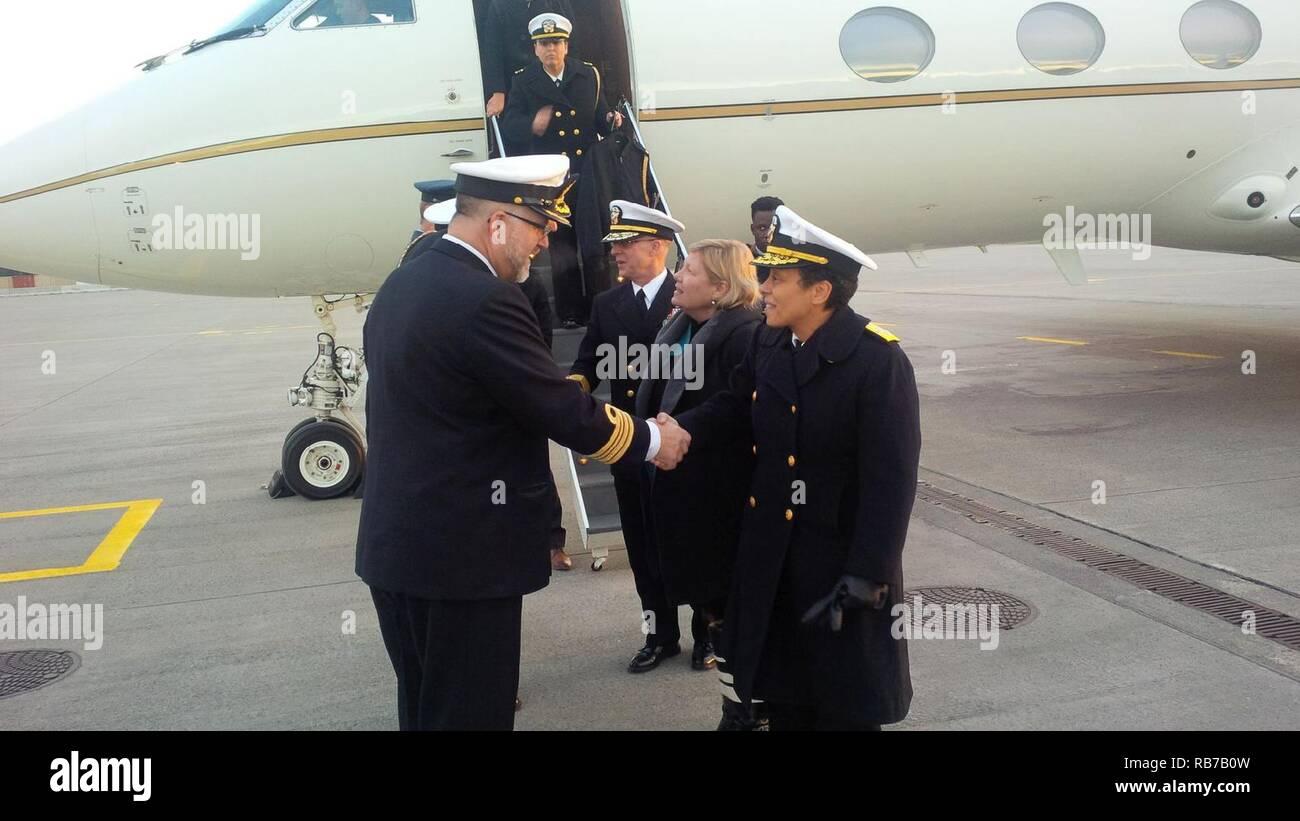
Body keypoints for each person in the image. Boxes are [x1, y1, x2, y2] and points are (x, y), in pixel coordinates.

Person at [356, 156, 691, 731]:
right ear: (498, 225)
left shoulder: (403, 282)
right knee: (469, 715)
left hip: (401, 547)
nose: (543, 245)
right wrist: (653, 439)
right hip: (463, 558)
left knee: (424, 707)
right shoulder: (485, 298)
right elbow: (557, 405)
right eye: (538, 229)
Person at [671, 206, 921, 731]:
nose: (762, 288)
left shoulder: (876, 360)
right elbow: (735, 406)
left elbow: (890, 481)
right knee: (782, 698)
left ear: (820, 291)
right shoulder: (769, 340)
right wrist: (679, 430)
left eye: (776, 278)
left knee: (842, 706)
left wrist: (869, 572)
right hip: (773, 561)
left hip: (838, 569)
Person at [635, 240, 763, 673]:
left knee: (717, 590)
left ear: (720, 286)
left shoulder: (743, 333)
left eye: (688, 271)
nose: (676, 277)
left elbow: (736, 410)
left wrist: (679, 433)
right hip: (669, 473)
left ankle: (737, 689)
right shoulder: (680, 324)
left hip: (712, 488)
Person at [568, 200, 681, 673]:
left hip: (681, 445)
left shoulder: (689, 294)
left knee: (689, 536)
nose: (615, 252)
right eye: (615, 244)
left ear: (657, 246)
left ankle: (711, 631)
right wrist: (570, 395)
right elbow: (590, 362)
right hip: (631, 444)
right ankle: (660, 634)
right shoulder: (608, 304)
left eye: (626, 243)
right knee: (641, 542)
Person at [502, 13, 623, 326]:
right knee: (561, 242)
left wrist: (612, 120)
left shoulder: (587, 75)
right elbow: (510, 125)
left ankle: (600, 307)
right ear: (535, 49)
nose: (550, 49)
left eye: (555, 42)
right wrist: (532, 123)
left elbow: (600, 117)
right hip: (552, 175)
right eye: (543, 44)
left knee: (594, 241)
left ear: (567, 46)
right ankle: (569, 311)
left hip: (586, 170)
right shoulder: (523, 80)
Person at [481, 0, 577, 120]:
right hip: (515, 85)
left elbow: (570, 45)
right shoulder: (500, 5)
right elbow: (493, 51)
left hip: (551, 81)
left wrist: (573, 82)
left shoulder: (557, 3)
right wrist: (498, 92)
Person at [748, 197, 784, 280]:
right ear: (753, 229)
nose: (768, 234)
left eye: (774, 227)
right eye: (762, 228)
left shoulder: (798, 261)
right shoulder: (740, 261)